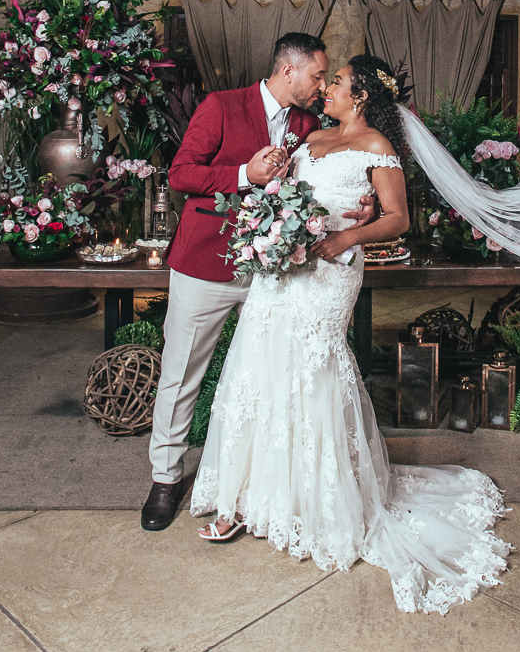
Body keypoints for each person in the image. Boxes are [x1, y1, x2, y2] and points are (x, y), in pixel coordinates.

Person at [190, 56, 510, 615]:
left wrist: (345, 238)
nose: (326, 88)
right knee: (259, 364)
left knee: (313, 368)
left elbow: (397, 218)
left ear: (360, 95)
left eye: (335, 82)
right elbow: (283, 195)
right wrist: (267, 224)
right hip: (283, 267)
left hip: (330, 271)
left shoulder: (377, 147)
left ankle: (317, 500)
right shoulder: (311, 136)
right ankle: (244, 497)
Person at [141, 33, 375, 532]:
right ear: (288, 71)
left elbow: (336, 178)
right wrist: (245, 174)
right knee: (182, 374)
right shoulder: (222, 107)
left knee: (271, 378)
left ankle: (259, 485)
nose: (320, 85)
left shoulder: (310, 125)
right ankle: (165, 479)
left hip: (276, 276)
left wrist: (364, 204)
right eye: (317, 75)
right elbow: (181, 174)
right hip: (205, 264)